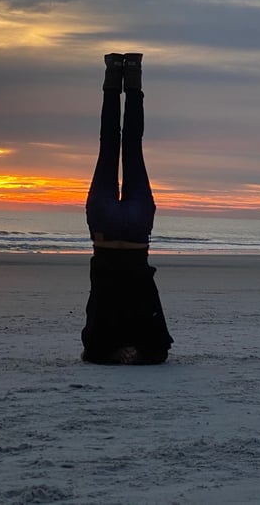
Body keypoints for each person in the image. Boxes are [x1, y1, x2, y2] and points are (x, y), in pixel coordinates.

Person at [81, 52, 173, 365]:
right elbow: (92, 351)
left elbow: (159, 350)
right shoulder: (101, 333)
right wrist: (122, 354)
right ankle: (116, 73)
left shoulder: (146, 322)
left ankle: (132, 73)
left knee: (130, 146)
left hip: (136, 232)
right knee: (111, 144)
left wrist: (132, 354)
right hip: (106, 231)